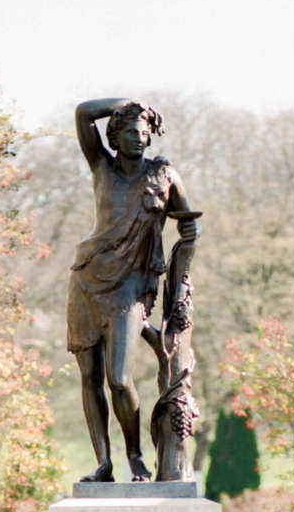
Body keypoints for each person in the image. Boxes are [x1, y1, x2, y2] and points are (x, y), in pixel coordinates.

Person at [68, 98, 199, 481]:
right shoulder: (102, 167)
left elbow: (188, 222)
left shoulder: (164, 175)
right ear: (114, 137)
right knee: (90, 376)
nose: (138, 138)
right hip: (88, 278)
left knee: (119, 378)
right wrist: (126, 102)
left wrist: (189, 238)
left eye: (143, 133)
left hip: (131, 286)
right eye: (129, 132)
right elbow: (83, 113)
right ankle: (104, 464)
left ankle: (135, 455)